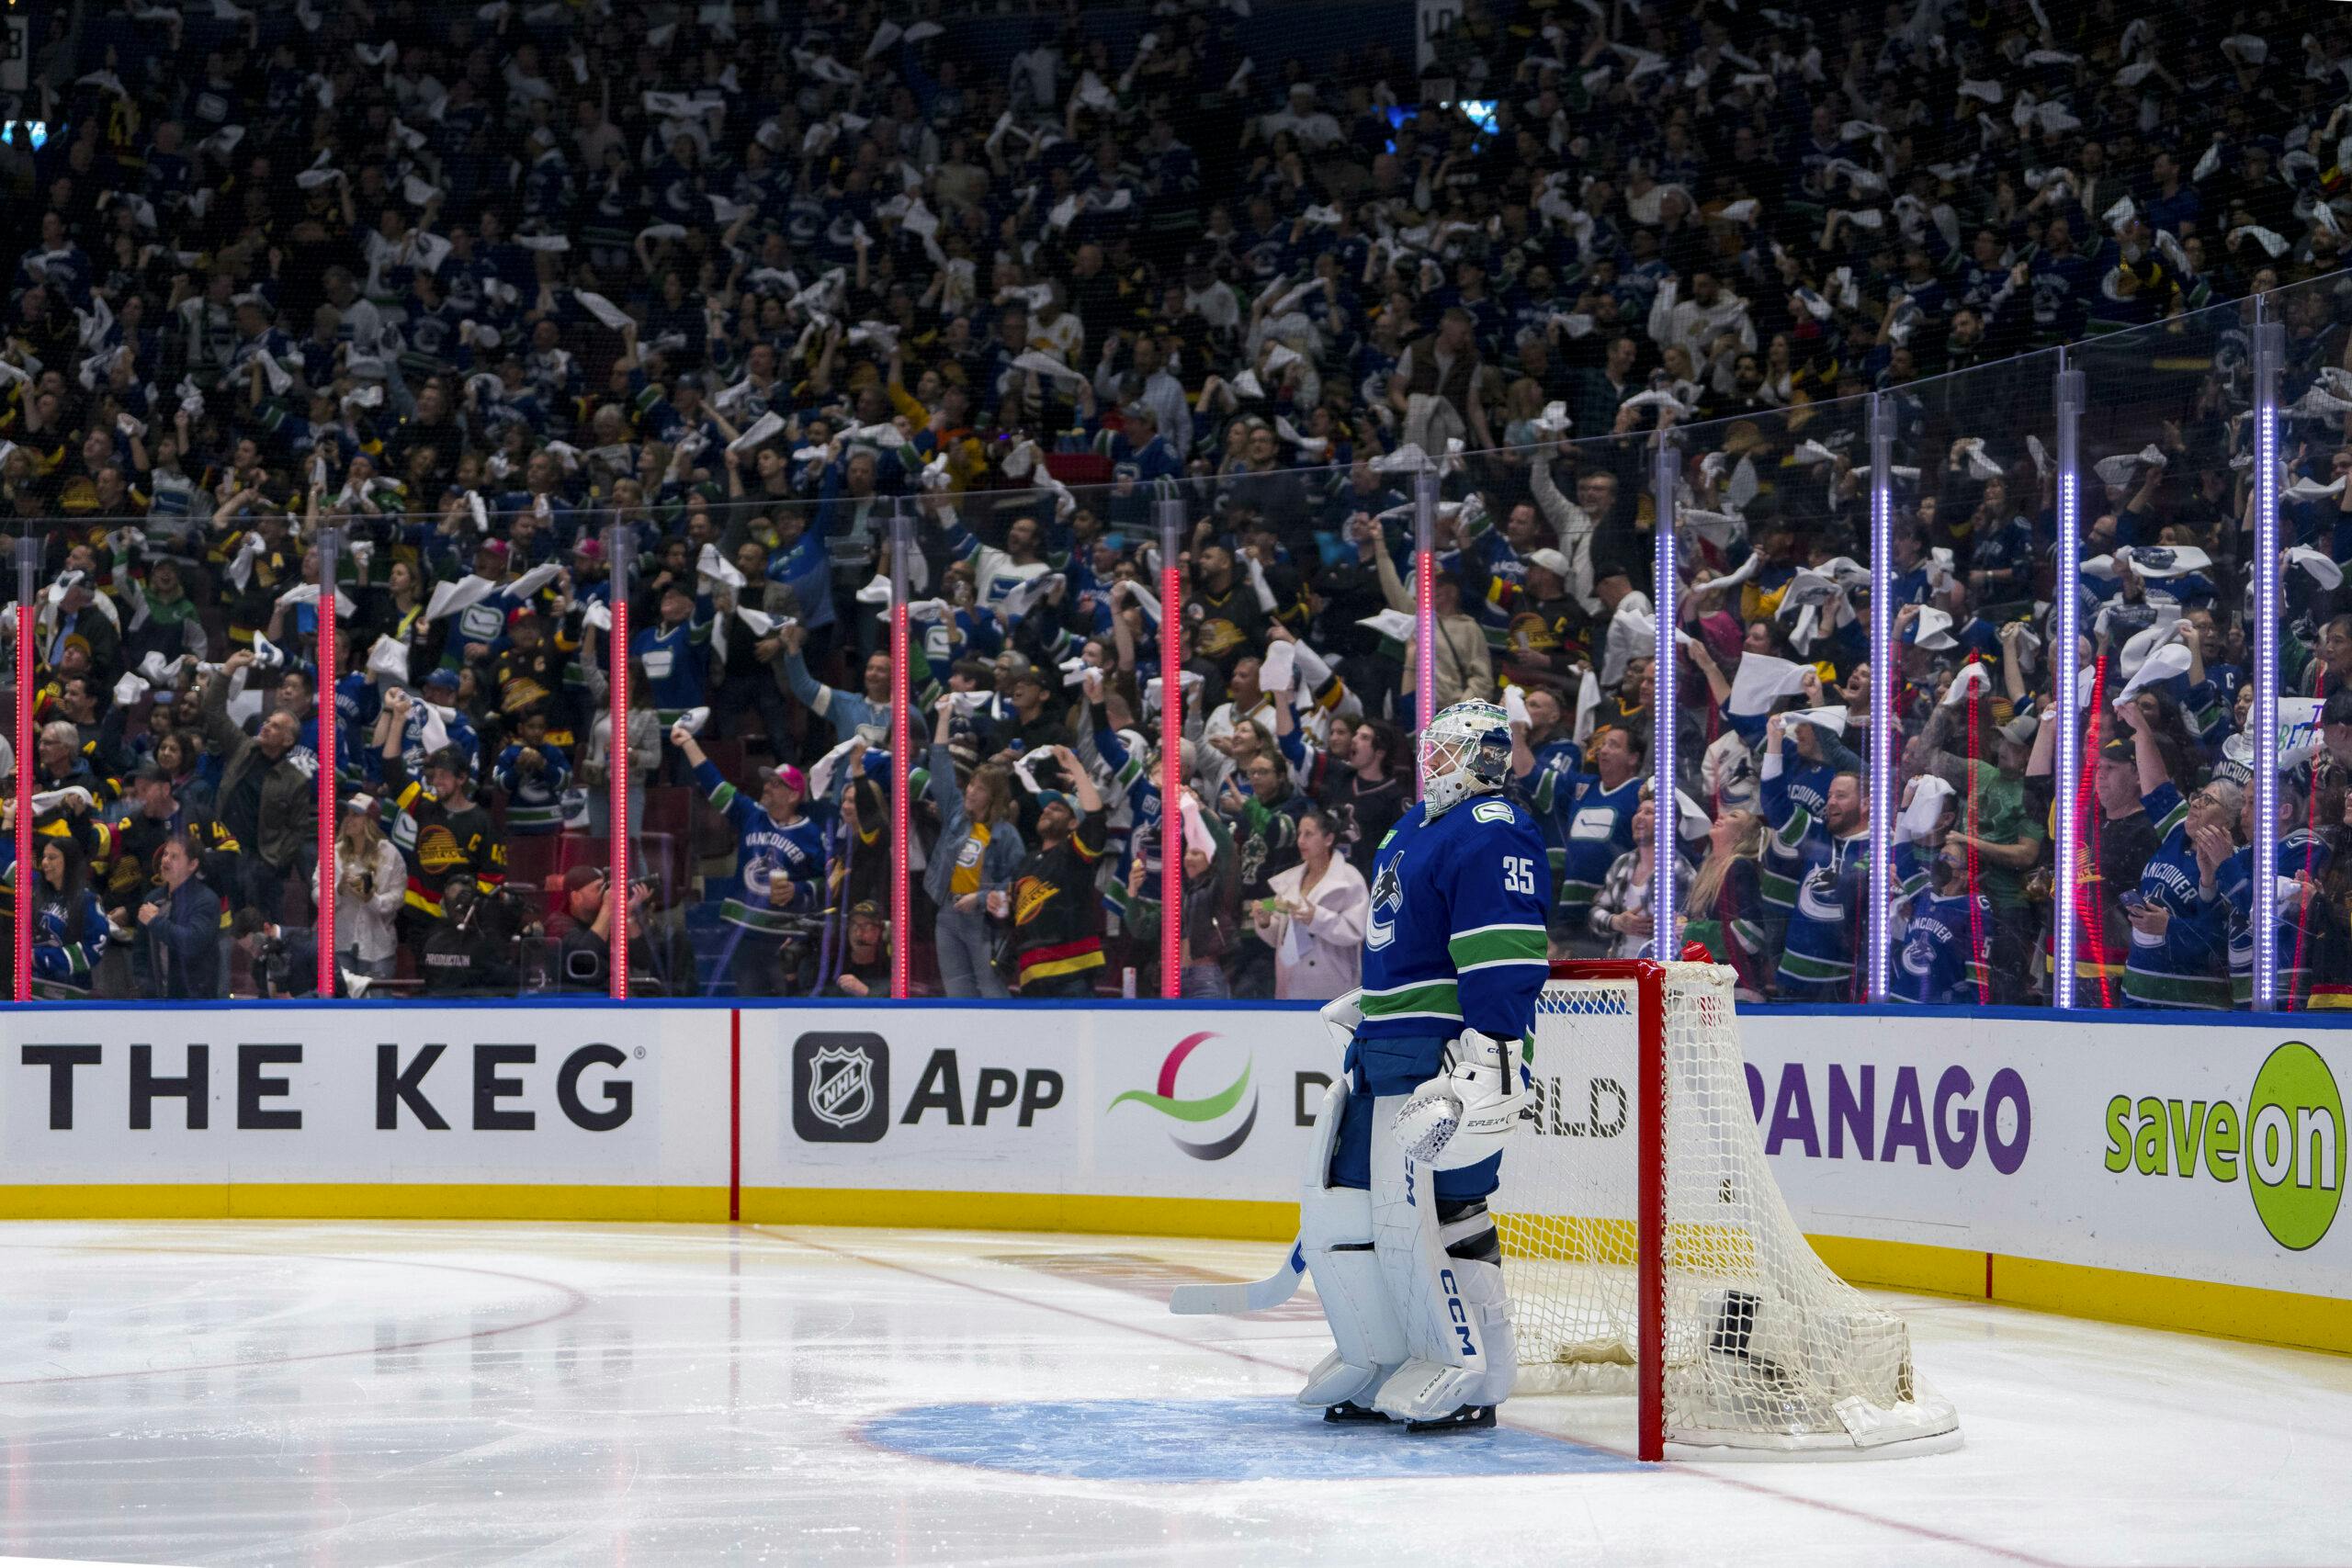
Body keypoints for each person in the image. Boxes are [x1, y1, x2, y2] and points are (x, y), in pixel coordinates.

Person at [1292, 700, 1549, 1433]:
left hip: (1445, 1055)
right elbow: (1399, 936)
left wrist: (1495, 1050)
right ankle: (1381, 1353)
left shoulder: (1494, 829)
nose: (1428, 763)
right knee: (1350, 1203)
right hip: (1385, 1047)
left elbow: (1500, 950)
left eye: (1443, 752)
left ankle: (1476, 1374)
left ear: (1483, 757)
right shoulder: (1412, 827)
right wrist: (1372, 1004)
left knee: (1447, 1208)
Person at [673, 725, 825, 998]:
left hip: (785, 938)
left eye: (776, 784)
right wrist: (688, 743)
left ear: (793, 795)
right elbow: (714, 784)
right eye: (767, 781)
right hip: (744, 934)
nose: (767, 786)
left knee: (786, 1010)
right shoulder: (751, 815)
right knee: (750, 1009)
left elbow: (827, 880)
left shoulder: (813, 835)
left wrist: (799, 890)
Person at [925, 694, 1024, 998]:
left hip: (983, 922)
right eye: (971, 784)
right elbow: (940, 767)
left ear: (993, 796)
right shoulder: (956, 815)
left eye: (979, 789)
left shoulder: (1006, 835)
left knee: (992, 990)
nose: (970, 791)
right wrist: (943, 717)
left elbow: (1019, 885)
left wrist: (982, 897)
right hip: (947, 913)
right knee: (957, 992)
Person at [1005, 744, 1109, 997]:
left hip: (1072, 971)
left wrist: (1075, 766)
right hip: (1031, 974)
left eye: (1058, 808)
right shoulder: (1025, 863)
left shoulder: (1074, 852)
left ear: (1074, 823)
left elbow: (1095, 817)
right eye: (1046, 807)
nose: (1047, 809)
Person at [1251, 807, 1368, 998]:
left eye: (1308, 834)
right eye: (1299, 834)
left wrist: (1317, 917)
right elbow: (1280, 938)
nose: (1301, 841)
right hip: (1291, 983)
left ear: (1328, 839)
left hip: (1332, 983)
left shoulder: (1349, 879)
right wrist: (1265, 923)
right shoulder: (1290, 880)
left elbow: (1355, 931)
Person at [136, 829, 225, 998]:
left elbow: (191, 942)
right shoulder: (153, 899)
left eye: (174, 857)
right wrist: (143, 983)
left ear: (192, 865)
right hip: (155, 998)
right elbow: (141, 949)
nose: (166, 860)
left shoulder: (206, 901)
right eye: (166, 854)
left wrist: (156, 921)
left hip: (194, 1000)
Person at [334, 809, 406, 981]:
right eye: (347, 814)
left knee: (377, 1004)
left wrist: (372, 899)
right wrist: (339, 888)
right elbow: (317, 895)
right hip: (341, 943)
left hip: (379, 947)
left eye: (355, 815)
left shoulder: (390, 854)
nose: (348, 819)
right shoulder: (333, 853)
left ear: (369, 821)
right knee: (341, 1005)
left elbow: (398, 898)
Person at [825, 900, 894, 997]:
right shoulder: (832, 967)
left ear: (882, 931)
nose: (858, 933)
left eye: (867, 926)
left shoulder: (893, 970)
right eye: (854, 925)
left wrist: (867, 993)